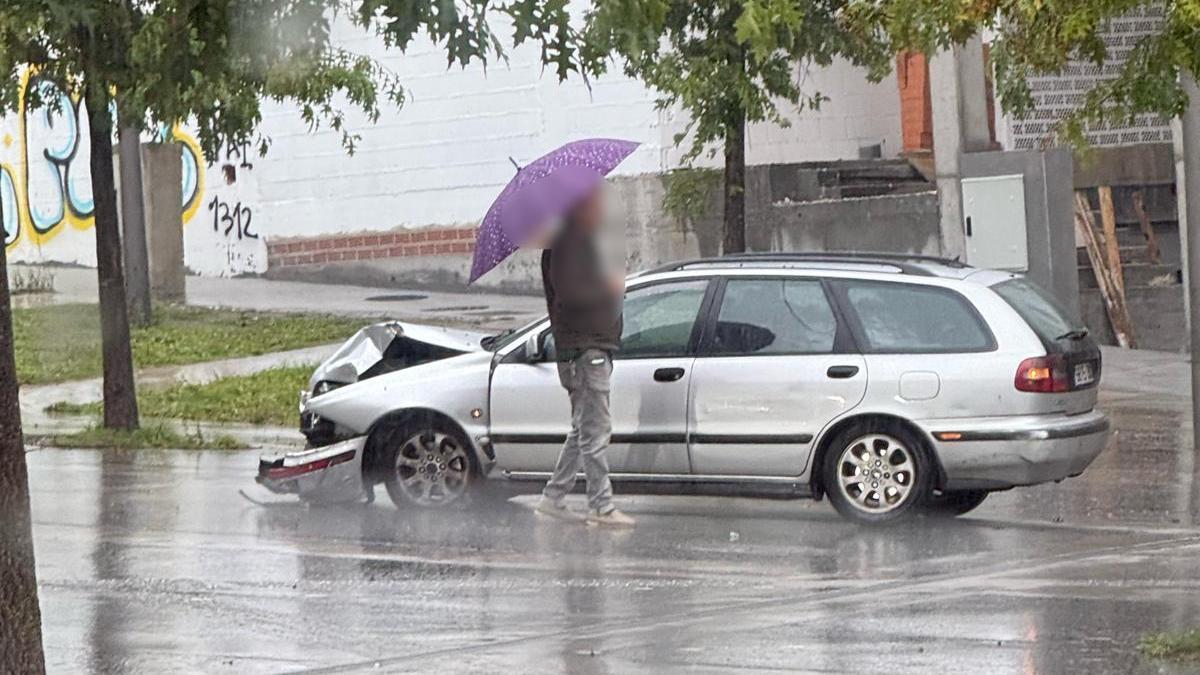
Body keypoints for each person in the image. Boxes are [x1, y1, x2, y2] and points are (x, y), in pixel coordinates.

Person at [534, 187, 636, 527]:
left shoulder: (577, 242)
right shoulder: (567, 245)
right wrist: (608, 286)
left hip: (590, 347)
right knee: (596, 431)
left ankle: (553, 497)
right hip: (584, 350)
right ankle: (601, 507)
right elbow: (571, 295)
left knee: (582, 430)